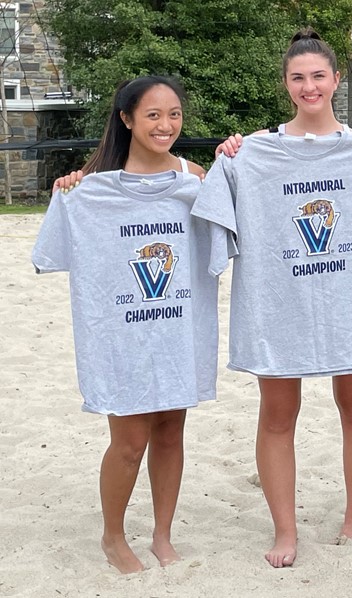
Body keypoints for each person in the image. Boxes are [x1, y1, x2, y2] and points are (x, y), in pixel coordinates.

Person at [200, 29, 352, 569]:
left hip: (349, 298)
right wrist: (229, 157)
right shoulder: (250, 152)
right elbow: (211, 216)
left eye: (319, 75)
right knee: (277, 413)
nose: (309, 86)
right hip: (281, 301)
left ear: (336, 81)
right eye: (299, 77)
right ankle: (285, 529)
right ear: (286, 85)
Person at [35, 76, 212, 574]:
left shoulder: (193, 181)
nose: (166, 124)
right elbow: (52, 256)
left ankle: (161, 534)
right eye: (153, 114)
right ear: (127, 119)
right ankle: (113, 537)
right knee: (131, 441)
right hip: (121, 334)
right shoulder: (88, 190)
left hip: (177, 328)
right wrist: (71, 191)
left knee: (172, 432)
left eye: (174, 113)